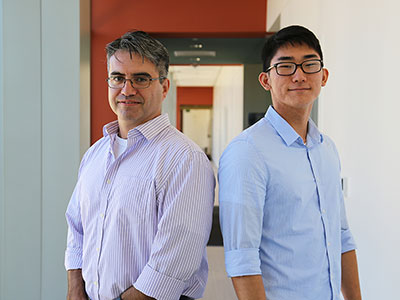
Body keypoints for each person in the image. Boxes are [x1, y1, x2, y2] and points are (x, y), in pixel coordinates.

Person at [65, 30, 215, 300]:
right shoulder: (94, 155)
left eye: (141, 79)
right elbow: (77, 229)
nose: (127, 89)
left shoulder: (184, 158)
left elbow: (174, 258)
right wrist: (76, 290)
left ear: (164, 87)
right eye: (118, 78)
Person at [218, 25, 362, 300]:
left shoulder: (326, 149)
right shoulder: (247, 152)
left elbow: (342, 237)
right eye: (285, 67)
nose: (299, 75)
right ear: (265, 80)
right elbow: (242, 258)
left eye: (309, 65)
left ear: (324, 76)